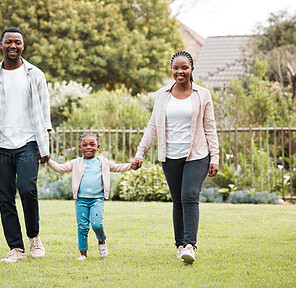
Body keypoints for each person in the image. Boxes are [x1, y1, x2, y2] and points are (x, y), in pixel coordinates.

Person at [131, 51, 219, 264]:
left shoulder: (203, 94)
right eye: (176, 68)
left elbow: (210, 127)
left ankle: (190, 245)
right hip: (169, 156)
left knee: (189, 196)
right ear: (171, 70)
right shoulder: (162, 94)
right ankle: (179, 244)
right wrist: (140, 153)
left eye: (184, 68)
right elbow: (153, 126)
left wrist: (214, 157)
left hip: (197, 155)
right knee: (178, 201)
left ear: (192, 69)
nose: (180, 72)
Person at [0, 27, 52, 262]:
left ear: (23, 46)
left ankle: (34, 236)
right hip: (0, 145)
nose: (13, 46)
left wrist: (44, 143)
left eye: (17, 42)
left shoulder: (35, 74)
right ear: (1, 45)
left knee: (28, 188)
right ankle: (16, 248)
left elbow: (44, 112)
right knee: (5, 196)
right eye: (8, 42)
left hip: (28, 142)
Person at [47, 133, 136, 260]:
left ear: (98, 146)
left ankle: (101, 241)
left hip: (96, 200)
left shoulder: (103, 162)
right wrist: (48, 160)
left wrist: (131, 165)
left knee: (96, 224)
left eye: (92, 144)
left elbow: (118, 167)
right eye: (85, 145)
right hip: (81, 201)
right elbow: (60, 168)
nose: (88, 147)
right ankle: (83, 254)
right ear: (80, 147)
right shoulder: (76, 163)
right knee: (82, 227)